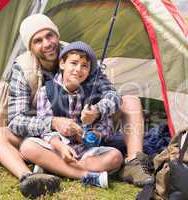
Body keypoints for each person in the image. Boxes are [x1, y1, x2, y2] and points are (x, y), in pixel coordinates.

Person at [0, 14, 153, 198]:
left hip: (87, 135)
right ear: (31, 48)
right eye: (38, 41)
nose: (47, 43)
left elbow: (111, 94)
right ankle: (31, 177)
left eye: (50, 35)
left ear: (57, 35)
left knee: (130, 101)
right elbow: (16, 121)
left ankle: (134, 163)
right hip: (45, 137)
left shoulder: (78, 54)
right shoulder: (23, 68)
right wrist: (53, 122)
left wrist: (97, 112)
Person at [21, 41, 123, 188]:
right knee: (27, 146)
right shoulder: (47, 91)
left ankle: (53, 168)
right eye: (73, 63)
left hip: (86, 151)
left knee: (116, 157)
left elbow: (105, 127)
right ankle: (86, 175)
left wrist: (96, 133)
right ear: (62, 64)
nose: (78, 69)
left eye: (84, 66)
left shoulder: (95, 91)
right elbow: (44, 126)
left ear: (89, 70)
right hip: (57, 148)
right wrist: (61, 147)